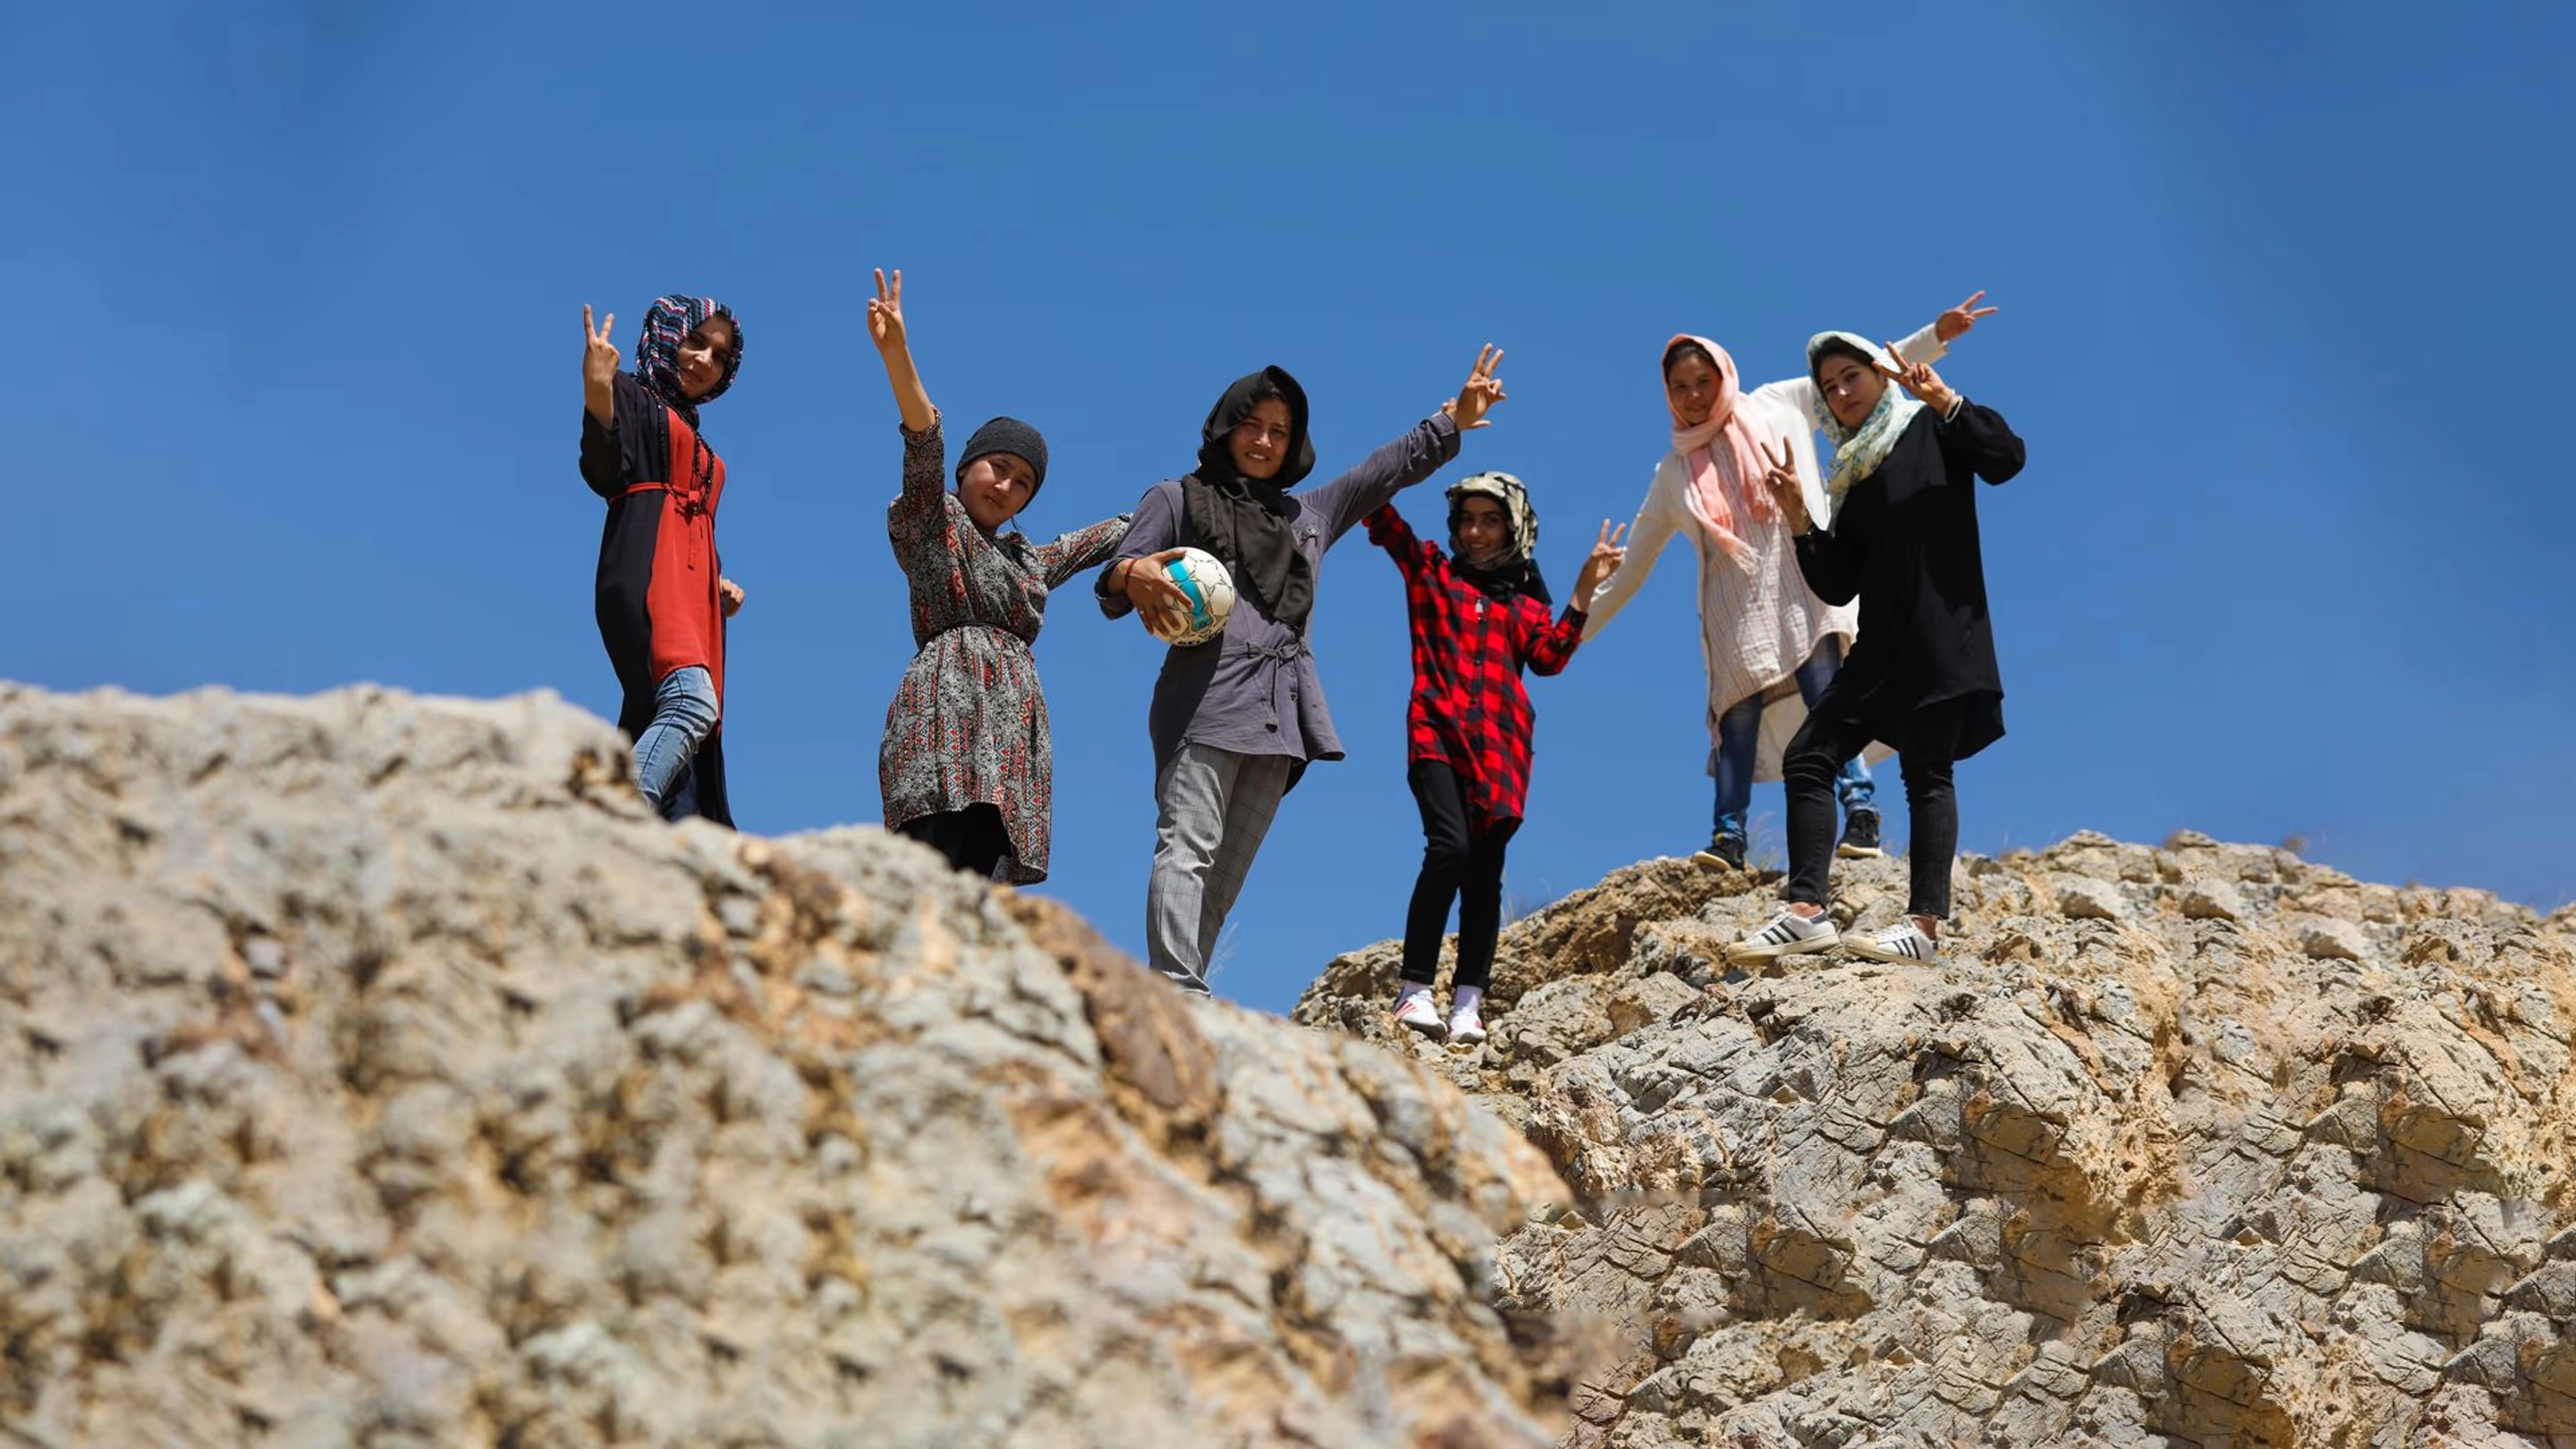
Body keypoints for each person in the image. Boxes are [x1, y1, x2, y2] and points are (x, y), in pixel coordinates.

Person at [1097, 347, 1510, 995]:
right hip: (1203, 704)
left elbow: (1382, 472)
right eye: (1252, 425)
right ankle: (1175, 989)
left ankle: (1177, 1003)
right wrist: (1133, 571)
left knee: (1224, 878)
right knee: (1187, 848)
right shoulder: (1177, 498)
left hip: (1280, 720)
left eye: (1279, 431)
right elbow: (1120, 571)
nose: (1264, 441)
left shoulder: (1308, 517)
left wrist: (1452, 420)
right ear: (1225, 426)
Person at [1583, 294, 1998, 869]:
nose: (1694, 395)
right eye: (1680, 388)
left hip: (1808, 582)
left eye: (1703, 381)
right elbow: (1634, 565)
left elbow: (1867, 368)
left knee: (1831, 696)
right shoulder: (1673, 472)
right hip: (1735, 610)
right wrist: (1576, 624)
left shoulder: (1774, 403)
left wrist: (1937, 334)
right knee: (1736, 718)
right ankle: (1729, 837)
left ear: (1723, 374)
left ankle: (1861, 812)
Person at [1728, 335, 2027, 967]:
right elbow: (1839, 581)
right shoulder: (1851, 473)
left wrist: (1945, 400)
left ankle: (1923, 929)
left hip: (1941, 633)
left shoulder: (1932, 427)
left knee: (1926, 770)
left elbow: (2006, 458)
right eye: (1829, 388)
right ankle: (1806, 913)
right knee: (1808, 756)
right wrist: (1799, 517)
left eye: (1851, 376)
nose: (1841, 393)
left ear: (1880, 375)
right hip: (1878, 650)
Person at [868, 270, 1130, 882]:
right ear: (966, 468)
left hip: (1010, 735)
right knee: (926, 874)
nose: (1007, 485)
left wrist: (1180, 509)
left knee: (984, 888)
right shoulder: (933, 521)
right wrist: (897, 354)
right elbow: (923, 441)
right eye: (999, 466)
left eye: (1024, 482)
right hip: (942, 721)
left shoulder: (1027, 562)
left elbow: (1102, 537)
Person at [1366, 474, 1625, 1044]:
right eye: (1467, 520)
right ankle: (1414, 992)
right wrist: (1424, 446)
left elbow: (1550, 658)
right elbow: (1380, 514)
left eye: (1490, 521)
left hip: (1501, 751)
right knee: (1449, 848)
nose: (1476, 532)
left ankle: (1468, 1006)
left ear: (1513, 529)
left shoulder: (1526, 602)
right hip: (1436, 733)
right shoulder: (1431, 571)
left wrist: (1585, 588)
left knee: (1484, 878)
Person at [578, 295, 748, 825]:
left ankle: (648, 838)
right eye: (696, 342)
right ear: (668, 335)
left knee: (660, 718)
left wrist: (715, 582)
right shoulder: (631, 396)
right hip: (648, 570)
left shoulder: (691, 430)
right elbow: (605, 469)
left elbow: (694, 526)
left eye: (719, 356)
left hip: (693, 594)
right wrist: (597, 388)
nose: (705, 361)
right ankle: (616, 818)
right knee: (692, 702)